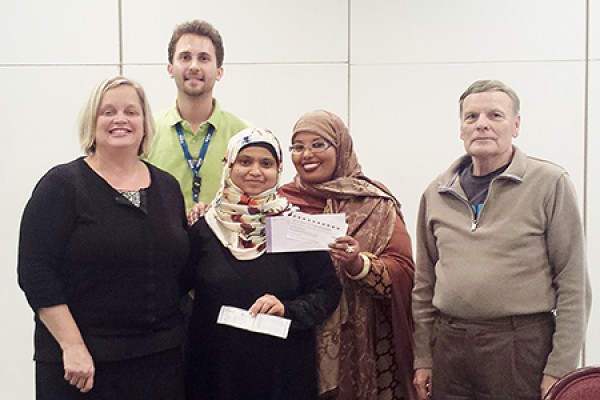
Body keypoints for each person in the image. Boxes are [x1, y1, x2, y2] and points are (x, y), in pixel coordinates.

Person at [412, 79, 591, 400]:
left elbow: (573, 283)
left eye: (495, 115)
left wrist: (559, 368)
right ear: (461, 129)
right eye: (471, 117)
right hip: (450, 343)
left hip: (519, 345)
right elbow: (424, 285)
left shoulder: (549, 184)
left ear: (516, 125)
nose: (482, 125)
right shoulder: (436, 192)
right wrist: (424, 357)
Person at [18, 76, 189, 400]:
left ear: (144, 123)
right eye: (107, 111)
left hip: (159, 361)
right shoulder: (61, 185)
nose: (120, 119)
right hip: (83, 365)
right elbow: (36, 273)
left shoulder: (167, 187)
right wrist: (72, 346)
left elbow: (179, 268)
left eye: (131, 111)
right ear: (92, 122)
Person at [183, 127, 342, 400]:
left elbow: (327, 291)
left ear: (278, 169)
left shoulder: (295, 225)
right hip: (216, 368)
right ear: (229, 165)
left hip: (282, 369)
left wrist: (288, 308)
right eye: (245, 161)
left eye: (266, 163)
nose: (255, 171)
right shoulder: (204, 228)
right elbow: (177, 287)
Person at [279, 110, 417, 400]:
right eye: (298, 146)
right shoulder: (279, 202)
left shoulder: (375, 203)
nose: (307, 154)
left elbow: (403, 270)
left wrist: (359, 264)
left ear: (341, 147)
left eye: (319, 144)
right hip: (295, 337)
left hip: (358, 341)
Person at [147, 19, 250, 212]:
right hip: (162, 241)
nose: (194, 66)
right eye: (185, 57)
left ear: (219, 72)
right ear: (170, 68)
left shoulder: (244, 134)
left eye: (204, 58)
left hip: (224, 240)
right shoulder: (146, 131)